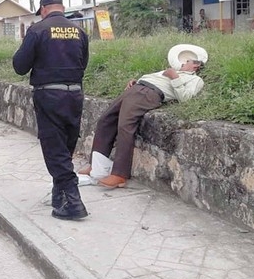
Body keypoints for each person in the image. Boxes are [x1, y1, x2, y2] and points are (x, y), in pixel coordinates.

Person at [80, 44, 208, 189]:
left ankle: (119, 174)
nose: (183, 63)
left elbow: (185, 97)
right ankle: (96, 166)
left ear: (196, 66)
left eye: (187, 61)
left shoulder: (195, 80)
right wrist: (136, 82)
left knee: (125, 125)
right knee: (105, 120)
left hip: (148, 94)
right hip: (137, 89)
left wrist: (175, 78)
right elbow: (153, 79)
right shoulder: (169, 71)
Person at [12, 0, 90, 220]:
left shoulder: (37, 30)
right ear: (62, 7)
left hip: (49, 95)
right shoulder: (80, 31)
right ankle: (59, 197)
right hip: (75, 94)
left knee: (55, 149)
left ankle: (73, 202)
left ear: (44, 8)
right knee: (66, 147)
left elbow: (20, 66)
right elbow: (83, 63)